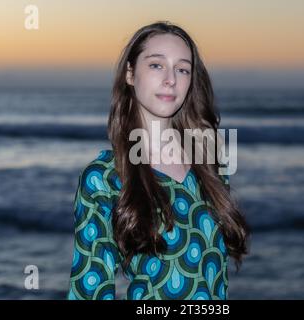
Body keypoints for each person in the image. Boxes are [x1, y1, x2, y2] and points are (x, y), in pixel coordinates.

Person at [67, 21, 250, 300]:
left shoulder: (209, 162)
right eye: (156, 65)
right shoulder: (103, 177)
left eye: (182, 69)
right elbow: (89, 289)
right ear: (130, 73)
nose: (171, 79)